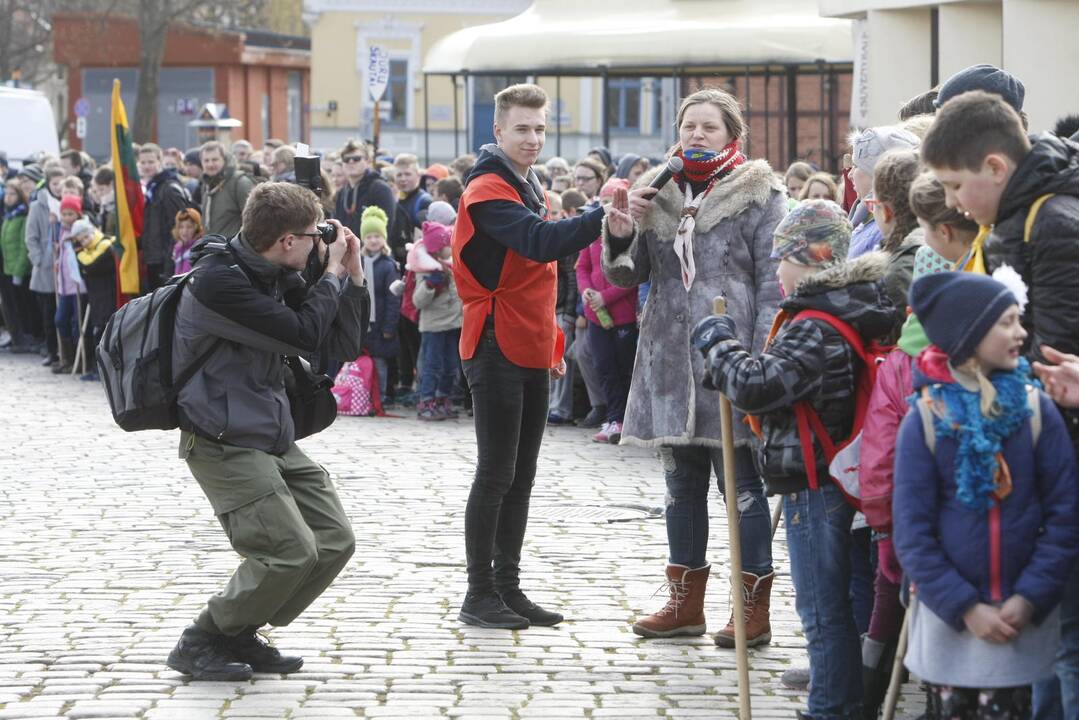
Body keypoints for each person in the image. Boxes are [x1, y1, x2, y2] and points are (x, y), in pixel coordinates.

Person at [693, 200, 895, 719]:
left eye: (782, 258)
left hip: (816, 480)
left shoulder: (816, 321)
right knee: (842, 607)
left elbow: (759, 387)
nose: (777, 272)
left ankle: (831, 709)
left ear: (805, 258)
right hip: (842, 477)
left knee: (822, 612)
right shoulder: (852, 304)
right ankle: (845, 705)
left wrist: (718, 345)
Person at [602, 87, 786, 648]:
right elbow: (626, 277)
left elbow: (774, 280)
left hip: (730, 353)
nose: (697, 135)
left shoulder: (760, 192)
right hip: (667, 355)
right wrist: (620, 229)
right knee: (680, 485)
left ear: (733, 135)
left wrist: (758, 357)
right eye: (689, 126)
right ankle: (686, 603)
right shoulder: (656, 191)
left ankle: (751, 608)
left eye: (709, 126)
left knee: (743, 486)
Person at [166, 182, 368, 682]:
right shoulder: (219, 283)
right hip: (220, 436)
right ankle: (202, 639)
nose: (316, 242)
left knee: (334, 540)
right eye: (309, 236)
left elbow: (339, 341)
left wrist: (352, 277)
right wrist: (330, 276)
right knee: (289, 551)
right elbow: (301, 333)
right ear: (284, 240)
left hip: (269, 430)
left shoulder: (275, 271)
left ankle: (240, 630)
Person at [922, 89, 1079, 720]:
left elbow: (1051, 352)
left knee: (1066, 641)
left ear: (996, 167)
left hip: (1055, 444)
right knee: (1052, 641)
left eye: (957, 185)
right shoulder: (1015, 218)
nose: (954, 203)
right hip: (1038, 436)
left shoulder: (1053, 224)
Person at [453, 83, 610, 629]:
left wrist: (552, 342)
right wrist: (601, 214)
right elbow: (542, 244)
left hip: (528, 339)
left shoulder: (528, 182)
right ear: (498, 131)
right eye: (522, 128)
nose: (533, 138)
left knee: (521, 473)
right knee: (496, 472)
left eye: (540, 129)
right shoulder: (488, 187)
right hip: (494, 342)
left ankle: (506, 586)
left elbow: (542, 271)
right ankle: (479, 594)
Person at [895, 272, 1079, 719]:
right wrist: (965, 607)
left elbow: (1064, 516)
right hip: (952, 624)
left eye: (1020, 320)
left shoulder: (1036, 412)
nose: (1022, 333)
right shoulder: (926, 419)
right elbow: (912, 532)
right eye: (1007, 322)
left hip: (1022, 621)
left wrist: (1029, 597)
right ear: (969, 333)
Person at [576, 178, 637, 444]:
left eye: (610, 200)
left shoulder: (630, 231)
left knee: (625, 368)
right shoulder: (592, 233)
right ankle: (613, 418)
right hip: (595, 316)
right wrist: (587, 292)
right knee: (604, 367)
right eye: (602, 201)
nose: (605, 206)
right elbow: (582, 267)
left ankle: (628, 418)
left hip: (623, 314)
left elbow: (632, 274)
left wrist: (606, 296)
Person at [869, 149, 924, 337]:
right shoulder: (949, 242)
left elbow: (894, 350)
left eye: (872, 205)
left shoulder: (896, 272)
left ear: (885, 211)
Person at [413, 221, 462, 421]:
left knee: (451, 366)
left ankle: (443, 399)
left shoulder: (452, 264)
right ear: (437, 248)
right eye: (447, 244)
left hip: (454, 324)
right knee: (432, 365)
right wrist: (430, 285)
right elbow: (418, 300)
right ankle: (426, 401)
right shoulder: (426, 268)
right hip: (433, 327)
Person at [846, 126, 920, 259]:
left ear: (878, 172)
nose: (850, 174)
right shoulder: (864, 220)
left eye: (856, 166)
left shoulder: (883, 227)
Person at [357, 206, 400, 400]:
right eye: (369, 236)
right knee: (359, 360)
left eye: (377, 236)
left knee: (380, 361)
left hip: (381, 321)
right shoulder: (356, 261)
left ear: (384, 239)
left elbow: (393, 298)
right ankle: (361, 394)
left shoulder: (388, 265)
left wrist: (389, 325)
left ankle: (380, 396)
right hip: (361, 321)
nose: (373, 240)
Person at [140, 142, 194, 291]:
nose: (146, 166)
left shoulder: (169, 189)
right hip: (153, 258)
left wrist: (170, 259)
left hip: (165, 261)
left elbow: (181, 227)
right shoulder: (153, 188)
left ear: (160, 162)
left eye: (151, 161)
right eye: (143, 162)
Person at [25, 167, 62, 366]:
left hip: (64, 266)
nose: (58, 187)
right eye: (55, 183)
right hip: (45, 268)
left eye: (61, 183)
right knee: (49, 313)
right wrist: (39, 260)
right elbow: (30, 237)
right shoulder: (38, 206)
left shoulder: (67, 202)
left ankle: (65, 350)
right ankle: (52, 350)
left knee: (63, 312)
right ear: (48, 183)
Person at [72, 217, 116, 381]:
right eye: (80, 240)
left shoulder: (106, 246)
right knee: (98, 331)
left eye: (86, 237)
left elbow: (91, 265)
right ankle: (98, 368)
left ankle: (104, 370)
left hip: (108, 297)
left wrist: (79, 256)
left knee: (105, 333)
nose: (84, 242)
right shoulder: (86, 252)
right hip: (97, 298)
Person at [333, 139, 397, 249]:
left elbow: (387, 227)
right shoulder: (342, 193)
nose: (351, 162)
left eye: (356, 159)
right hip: (347, 256)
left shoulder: (380, 189)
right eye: (346, 159)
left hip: (373, 256)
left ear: (368, 161)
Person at [53, 194, 88, 375]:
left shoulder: (80, 230)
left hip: (78, 286)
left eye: (71, 214)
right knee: (60, 319)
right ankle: (66, 356)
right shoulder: (59, 230)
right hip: (64, 286)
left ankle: (78, 359)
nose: (67, 217)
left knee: (77, 323)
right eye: (64, 214)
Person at [1, 178, 36, 353]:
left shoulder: (22, 215)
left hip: (18, 269)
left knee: (22, 306)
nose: (8, 197)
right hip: (7, 267)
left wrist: (19, 270)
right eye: (6, 193)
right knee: (10, 306)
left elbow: (23, 246)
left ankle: (26, 338)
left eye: (12, 194)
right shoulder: (9, 214)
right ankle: (17, 338)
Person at [200, 141, 255, 239]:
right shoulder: (207, 185)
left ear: (224, 160)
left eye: (215, 160)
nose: (210, 164)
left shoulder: (240, 183)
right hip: (213, 248)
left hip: (234, 249)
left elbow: (253, 220)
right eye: (206, 160)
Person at [172, 208, 204, 276]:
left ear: (196, 229)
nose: (185, 231)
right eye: (181, 227)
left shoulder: (198, 249)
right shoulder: (178, 248)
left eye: (189, 227)